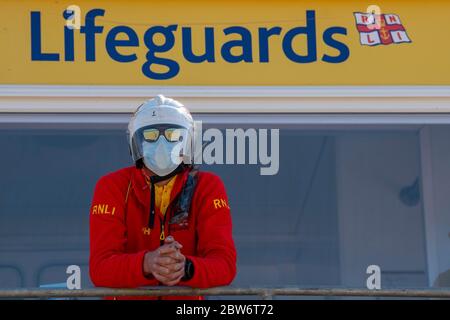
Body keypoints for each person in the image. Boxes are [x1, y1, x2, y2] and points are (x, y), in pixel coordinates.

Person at [89, 95, 237, 300]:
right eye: (150, 135)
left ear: (188, 141)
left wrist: (185, 268)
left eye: (173, 134)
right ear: (135, 142)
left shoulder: (207, 186)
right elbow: (100, 268)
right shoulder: (112, 186)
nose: (161, 143)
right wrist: (147, 263)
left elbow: (224, 265)